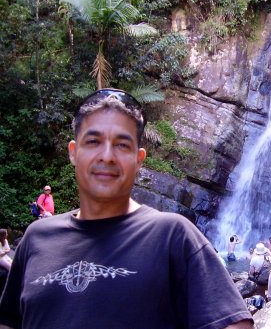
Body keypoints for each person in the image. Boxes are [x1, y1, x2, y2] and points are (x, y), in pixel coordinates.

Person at [0, 89, 253, 329]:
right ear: (73, 153)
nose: (107, 156)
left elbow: (233, 322)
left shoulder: (172, 236)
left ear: (138, 159)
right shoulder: (36, 238)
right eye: (93, 141)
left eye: (122, 145)